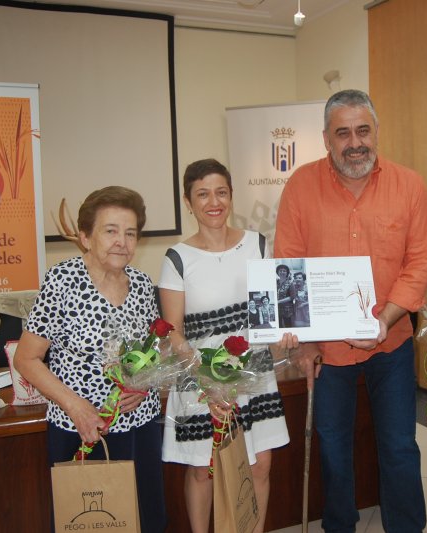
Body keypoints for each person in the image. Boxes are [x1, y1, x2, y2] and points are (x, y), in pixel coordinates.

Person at [274, 89, 427, 532]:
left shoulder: (410, 185)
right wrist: (303, 342)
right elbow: (287, 263)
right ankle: (339, 526)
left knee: (400, 445)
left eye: (363, 130)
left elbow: (420, 262)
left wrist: (382, 321)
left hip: (392, 342)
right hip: (327, 351)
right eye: (342, 133)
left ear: (376, 133)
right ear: (326, 139)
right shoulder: (300, 186)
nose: (354, 142)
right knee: (332, 445)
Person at [14, 186, 166, 533]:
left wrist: (144, 386)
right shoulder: (62, 281)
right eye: (110, 231)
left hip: (140, 425)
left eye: (130, 233)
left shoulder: (142, 284)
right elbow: (27, 359)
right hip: (83, 428)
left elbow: (153, 351)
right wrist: (78, 407)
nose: (122, 242)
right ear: (85, 237)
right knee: (92, 522)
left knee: (146, 519)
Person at [159, 158, 294, 533]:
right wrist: (210, 382)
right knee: (203, 469)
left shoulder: (258, 244)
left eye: (220, 192)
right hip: (199, 379)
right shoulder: (176, 259)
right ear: (189, 202)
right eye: (202, 194)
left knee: (259, 464)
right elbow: (172, 332)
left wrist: (286, 333)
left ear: (231, 196)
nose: (213, 201)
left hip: (254, 374)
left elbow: (275, 310)